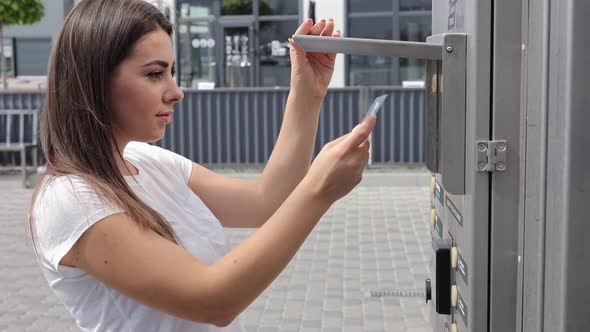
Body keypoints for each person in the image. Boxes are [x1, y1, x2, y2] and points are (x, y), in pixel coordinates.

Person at [28, 0, 377, 331]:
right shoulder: (72, 200)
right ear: (94, 82)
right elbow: (213, 300)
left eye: (171, 72)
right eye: (154, 74)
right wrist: (318, 192)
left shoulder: (144, 160)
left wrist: (306, 93)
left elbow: (266, 201)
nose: (175, 91)